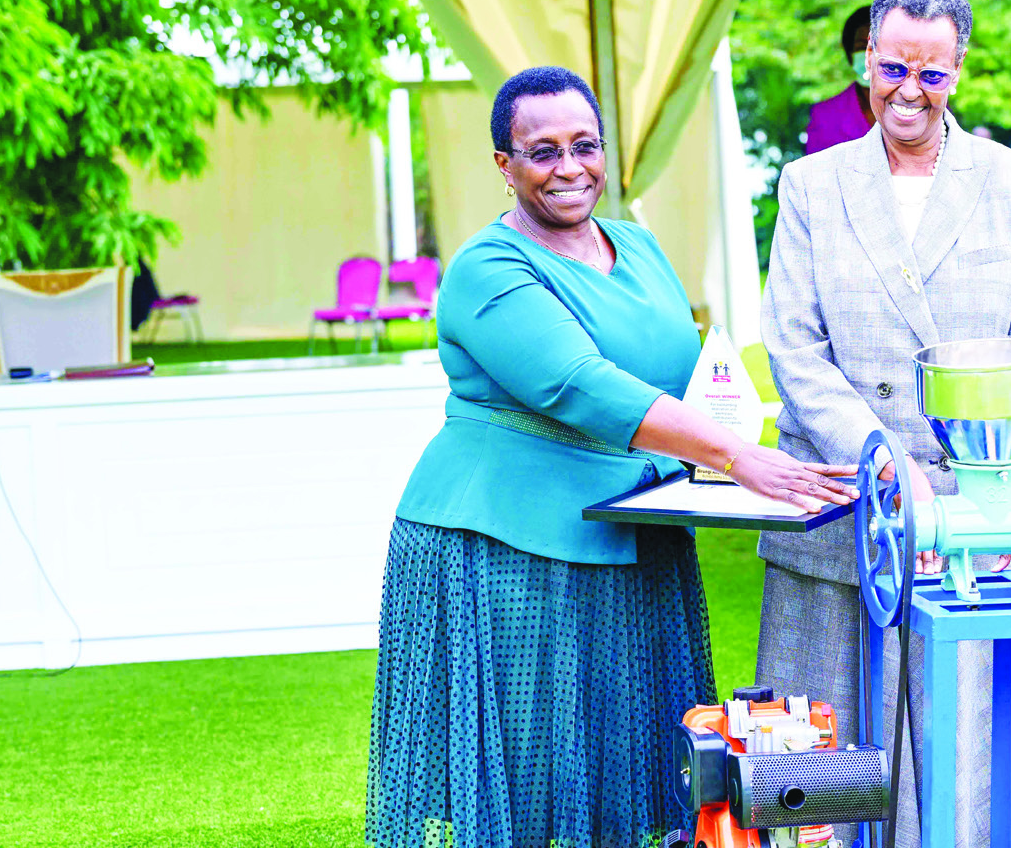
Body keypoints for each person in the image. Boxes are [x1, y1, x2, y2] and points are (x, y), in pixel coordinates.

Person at [365, 65, 857, 848]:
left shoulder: (637, 244)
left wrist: (723, 453)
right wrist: (739, 457)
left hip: (639, 531)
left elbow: (683, 368)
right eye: (543, 151)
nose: (569, 167)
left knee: (628, 774)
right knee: (531, 784)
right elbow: (580, 384)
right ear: (504, 164)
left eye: (585, 145)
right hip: (511, 543)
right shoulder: (487, 268)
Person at [757, 0, 1011, 847]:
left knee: (973, 761)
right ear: (867, 59)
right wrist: (884, 465)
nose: (909, 91)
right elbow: (794, 350)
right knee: (819, 778)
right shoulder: (809, 185)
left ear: (959, 71)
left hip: (977, 526)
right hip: (838, 517)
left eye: (931, 75)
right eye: (893, 68)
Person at [804, 5, 875, 155]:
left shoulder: (913, 106)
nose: (870, 55)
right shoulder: (825, 116)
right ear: (849, 54)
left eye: (877, 46)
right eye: (862, 46)